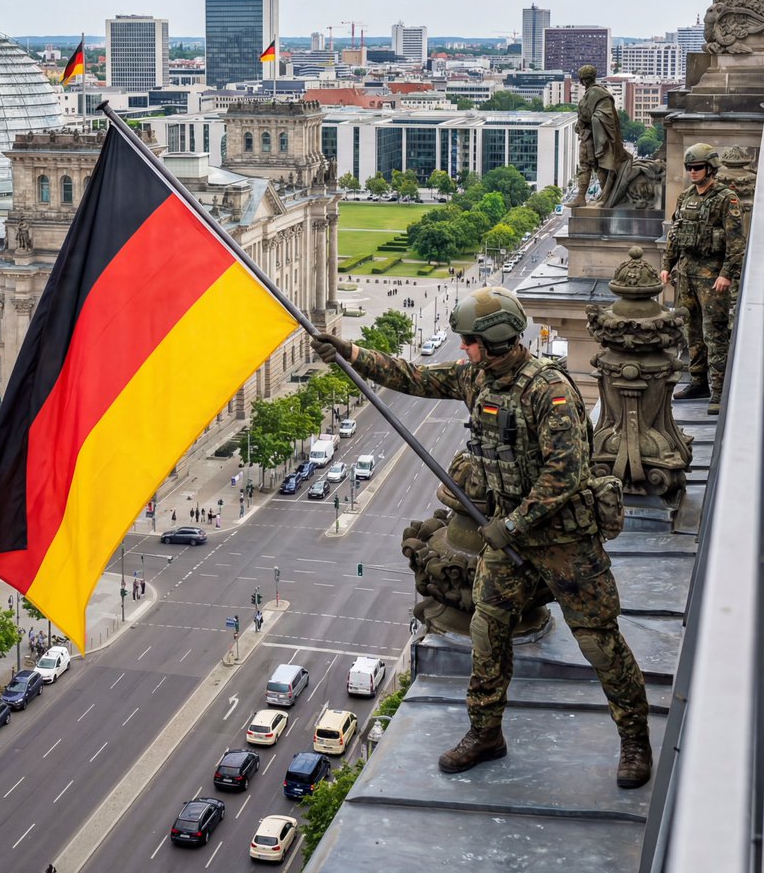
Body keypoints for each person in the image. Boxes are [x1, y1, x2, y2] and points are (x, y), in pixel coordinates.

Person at [311, 286, 652, 789]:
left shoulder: (549, 391)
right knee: (487, 632)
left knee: (599, 642)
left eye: (469, 341)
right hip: (508, 540)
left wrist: (511, 525)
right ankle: (485, 732)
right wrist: (353, 354)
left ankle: (635, 740)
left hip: (564, 541)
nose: (463, 349)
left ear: (493, 341)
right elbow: (417, 377)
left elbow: (565, 472)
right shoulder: (479, 377)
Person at [661, 143, 745, 415]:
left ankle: (719, 391)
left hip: (712, 276)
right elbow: (675, 234)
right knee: (691, 329)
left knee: (714, 332)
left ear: (710, 168)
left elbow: (736, 243)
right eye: (689, 168)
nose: (692, 172)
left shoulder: (726, 198)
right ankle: (699, 382)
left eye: (697, 168)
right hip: (687, 272)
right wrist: (667, 265)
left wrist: (725, 275)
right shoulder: (685, 197)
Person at [570, 64, 630, 207]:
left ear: (583, 80)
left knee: (590, 165)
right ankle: (594, 196)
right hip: (593, 135)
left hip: (592, 136)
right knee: (597, 166)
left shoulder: (594, 93)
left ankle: (595, 196)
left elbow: (586, 113)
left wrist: (580, 122)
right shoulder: (599, 92)